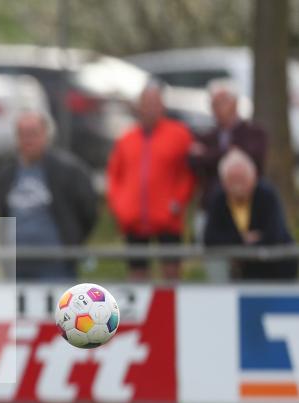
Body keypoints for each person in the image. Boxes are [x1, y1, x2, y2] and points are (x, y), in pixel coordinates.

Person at [107, 82, 195, 281]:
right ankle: (141, 311)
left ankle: (170, 311)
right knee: (137, 273)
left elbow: (188, 173)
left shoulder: (179, 135)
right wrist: (120, 207)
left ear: (162, 106)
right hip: (134, 220)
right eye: (146, 104)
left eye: (155, 104)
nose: (150, 109)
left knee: (171, 272)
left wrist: (177, 202)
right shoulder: (126, 139)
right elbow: (114, 176)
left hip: (167, 219)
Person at [0, 111, 97, 280]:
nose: (28, 140)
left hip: (56, 267)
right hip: (16, 266)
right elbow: (2, 213)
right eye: (22, 134)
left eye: (33, 133)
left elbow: (88, 210)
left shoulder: (68, 170)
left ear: (46, 135)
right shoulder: (6, 173)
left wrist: (72, 240)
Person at [189, 79, 267, 238]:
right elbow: (192, 161)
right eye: (214, 103)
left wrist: (208, 155)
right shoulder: (207, 136)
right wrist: (227, 152)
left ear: (236, 103)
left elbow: (253, 158)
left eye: (222, 102)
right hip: (211, 210)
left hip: (247, 210)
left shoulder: (254, 133)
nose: (217, 108)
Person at [204, 149, 296, 280]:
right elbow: (210, 238)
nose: (238, 186)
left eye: (241, 179)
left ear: (254, 177)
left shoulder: (267, 195)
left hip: (277, 272)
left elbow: (275, 234)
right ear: (223, 182)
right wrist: (242, 239)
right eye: (232, 180)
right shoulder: (218, 199)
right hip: (242, 275)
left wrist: (238, 245)